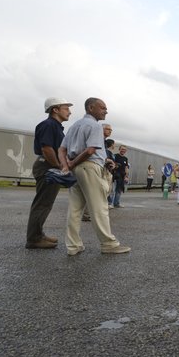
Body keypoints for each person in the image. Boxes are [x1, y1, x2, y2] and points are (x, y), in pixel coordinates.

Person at [58, 97, 130, 255]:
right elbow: (90, 150)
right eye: (103, 108)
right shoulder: (95, 126)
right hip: (89, 168)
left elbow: (62, 149)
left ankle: (73, 246)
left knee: (75, 209)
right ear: (91, 108)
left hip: (76, 170)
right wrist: (71, 163)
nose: (106, 111)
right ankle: (108, 244)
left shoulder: (74, 126)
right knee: (99, 207)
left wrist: (67, 165)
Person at [25, 97, 73, 249]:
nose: (69, 112)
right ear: (55, 109)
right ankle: (34, 239)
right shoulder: (48, 125)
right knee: (42, 204)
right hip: (47, 167)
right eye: (66, 108)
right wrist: (60, 167)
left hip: (49, 166)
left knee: (46, 203)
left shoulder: (56, 126)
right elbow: (47, 149)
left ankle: (38, 234)